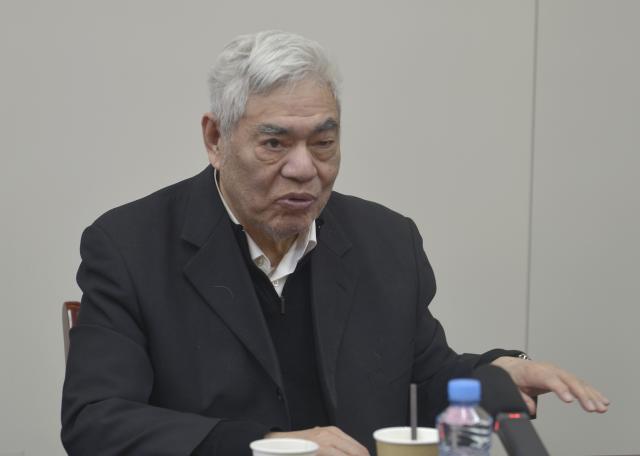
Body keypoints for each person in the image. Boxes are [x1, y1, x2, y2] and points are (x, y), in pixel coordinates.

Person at [61, 30, 609, 456]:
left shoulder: (386, 240)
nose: (305, 169)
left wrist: (497, 373)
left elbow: (425, 379)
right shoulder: (131, 246)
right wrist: (268, 446)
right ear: (215, 138)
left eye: (323, 142)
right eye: (274, 144)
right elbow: (96, 420)